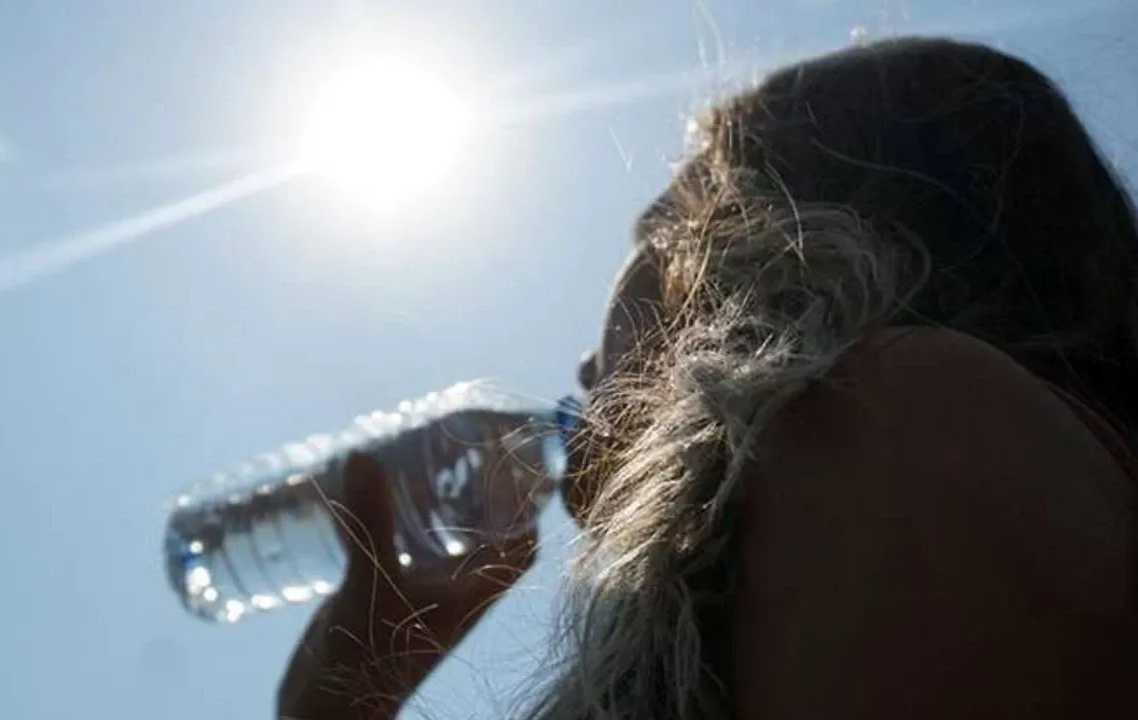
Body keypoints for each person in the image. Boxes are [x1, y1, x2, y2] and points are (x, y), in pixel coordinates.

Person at [276, 36, 1138, 719]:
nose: (584, 364)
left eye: (655, 232)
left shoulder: (895, 413)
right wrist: (344, 690)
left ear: (754, 247)